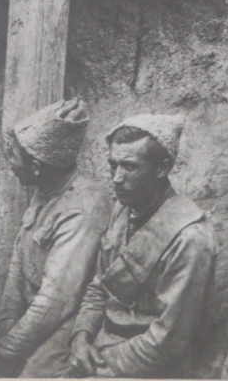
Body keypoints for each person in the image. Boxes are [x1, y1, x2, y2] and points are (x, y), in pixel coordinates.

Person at [69, 114, 216, 378]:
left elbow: (167, 342)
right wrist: (81, 338)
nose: (116, 178)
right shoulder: (123, 210)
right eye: (113, 165)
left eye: (129, 167)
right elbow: (100, 286)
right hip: (101, 347)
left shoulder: (190, 239)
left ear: (162, 168)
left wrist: (97, 369)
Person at [0, 98, 111, 377]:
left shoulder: (84, 208)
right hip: (35, 320)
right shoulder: (44, 189)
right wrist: (6, 333)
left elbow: (57, 300)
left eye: (14, 157)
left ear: (37, 166)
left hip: (66, 325)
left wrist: (10, 348)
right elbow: (17, 266)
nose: (11, 165)